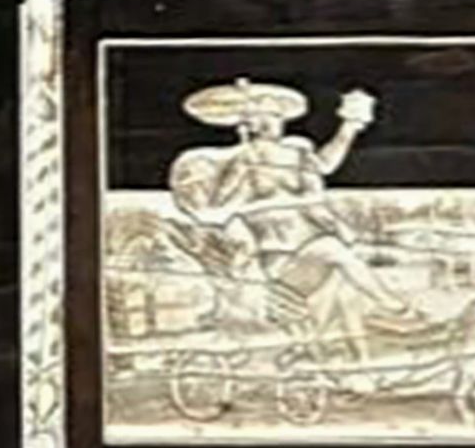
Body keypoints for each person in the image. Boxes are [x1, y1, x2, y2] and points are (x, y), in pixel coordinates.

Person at [167, 77, 413, 324]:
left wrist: (350, 126)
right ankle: (399, 311)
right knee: (331, 248)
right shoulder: (241, 160)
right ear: (248, 124)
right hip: (281, 261)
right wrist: (253, 193)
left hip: (313, 241)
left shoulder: (297, 149)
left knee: (334, 248)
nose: (272, 123)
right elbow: (220, 210)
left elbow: (325, 166)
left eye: (276, 116)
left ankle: (395, 312)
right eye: (261, 117)